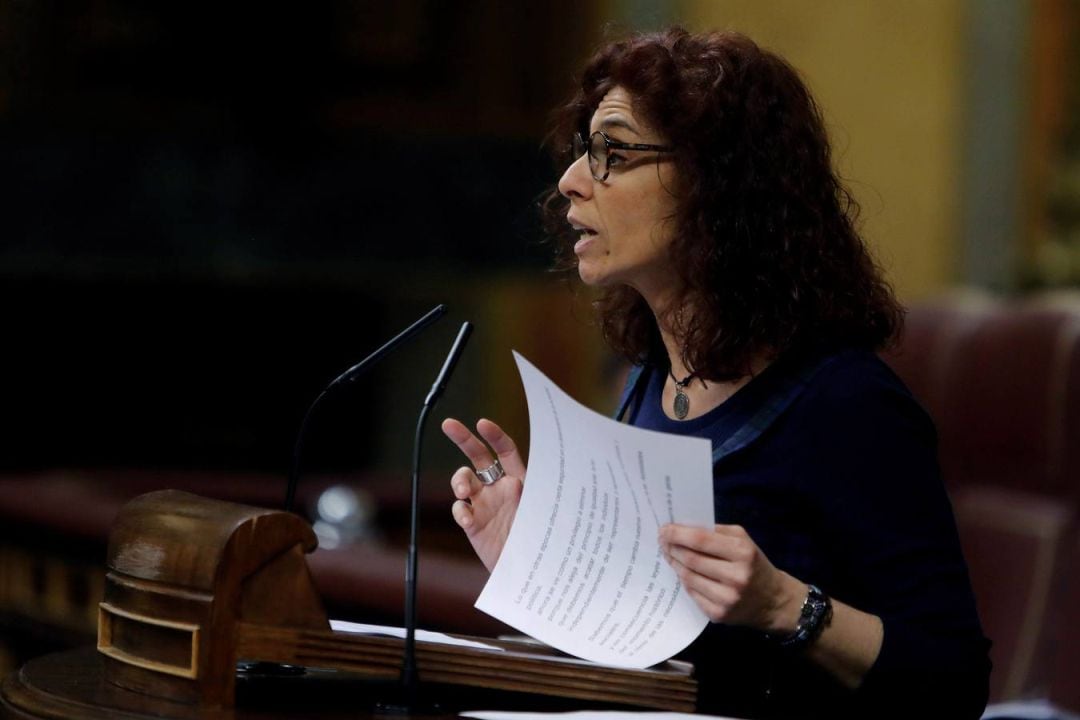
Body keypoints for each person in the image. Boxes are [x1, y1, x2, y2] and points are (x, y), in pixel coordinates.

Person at [441, 28, 990, 720]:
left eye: (613, 151)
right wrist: (532, 565)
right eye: (583, 149)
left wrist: (786, 606)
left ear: (716, 183)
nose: (572, 180)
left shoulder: (847, 404)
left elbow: (955, 682)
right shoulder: (649, 380)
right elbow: (651, 646)